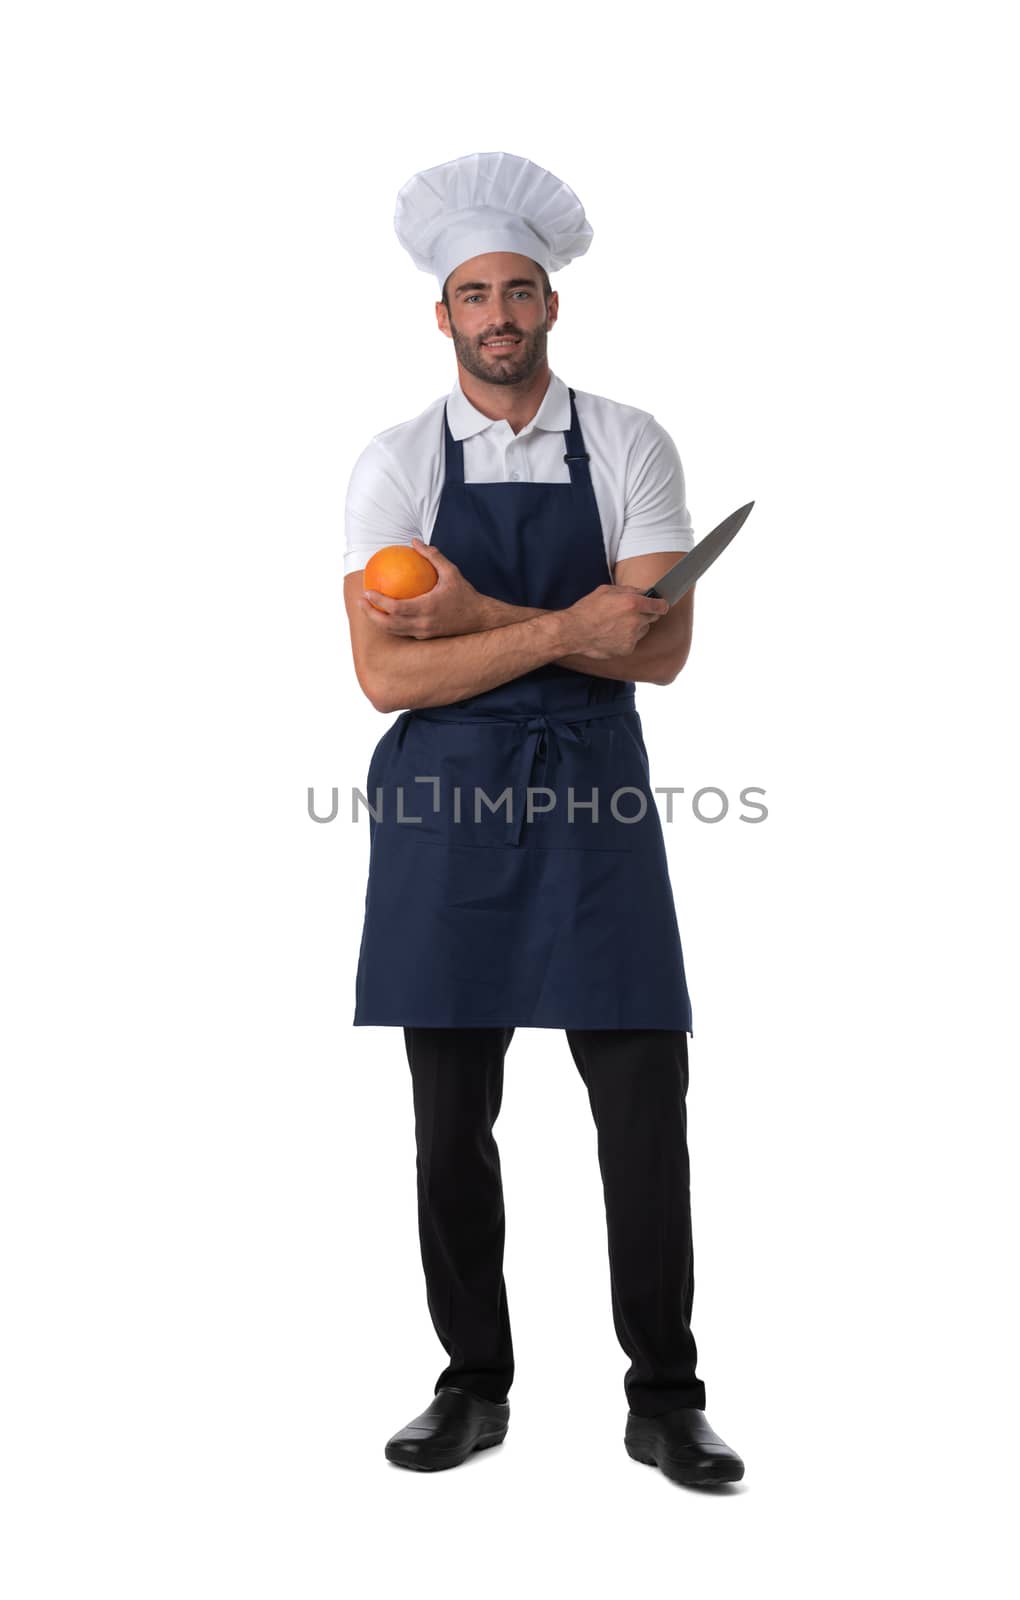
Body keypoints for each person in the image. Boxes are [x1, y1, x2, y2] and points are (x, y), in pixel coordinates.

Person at [342, 152, 744, 1488]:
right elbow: (388, 673)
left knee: (642, 1104)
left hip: (594, 794)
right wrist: (574, 628)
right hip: (446, 801)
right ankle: (473, 1384)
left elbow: (661, 653)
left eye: (520, 290)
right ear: (443, 317)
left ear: (551, 307)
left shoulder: (629, 442)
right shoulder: (394, 463)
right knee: (450, 1114)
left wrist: (489, 625)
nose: (500, 312)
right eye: (475, 294)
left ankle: (666, 1393)